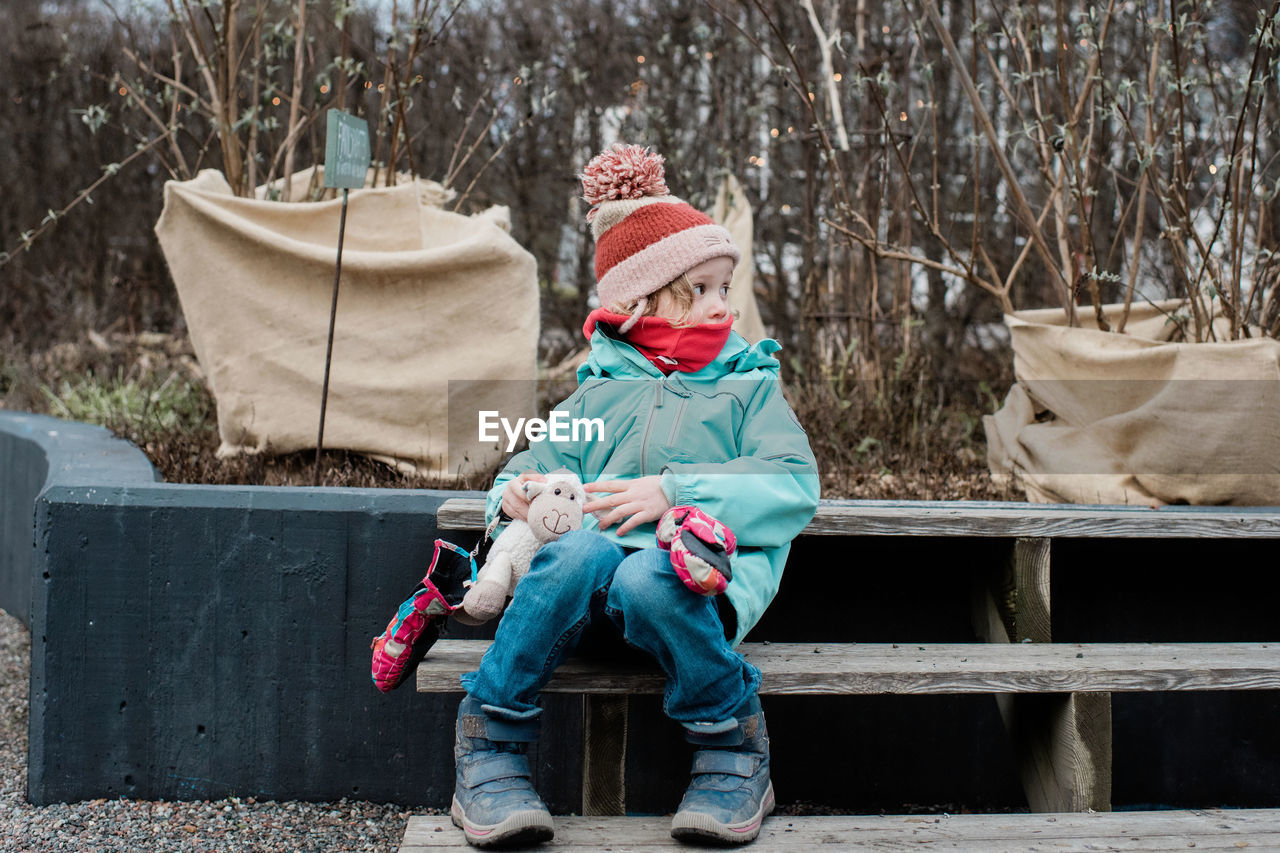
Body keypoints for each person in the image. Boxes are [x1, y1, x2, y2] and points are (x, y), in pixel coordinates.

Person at [450, 143, 820, 847]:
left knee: (650, 572)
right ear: (640, 300)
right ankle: (489, 740)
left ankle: (732, 745)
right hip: (583, 612)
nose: (723, 305)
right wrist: (517, 496)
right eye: (701, 288)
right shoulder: (599, 390)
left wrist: (676, 491)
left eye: (724, 287)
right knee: (581, 550)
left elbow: (794, 481)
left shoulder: (747, 387)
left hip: (687, 601)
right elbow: (528, 465)